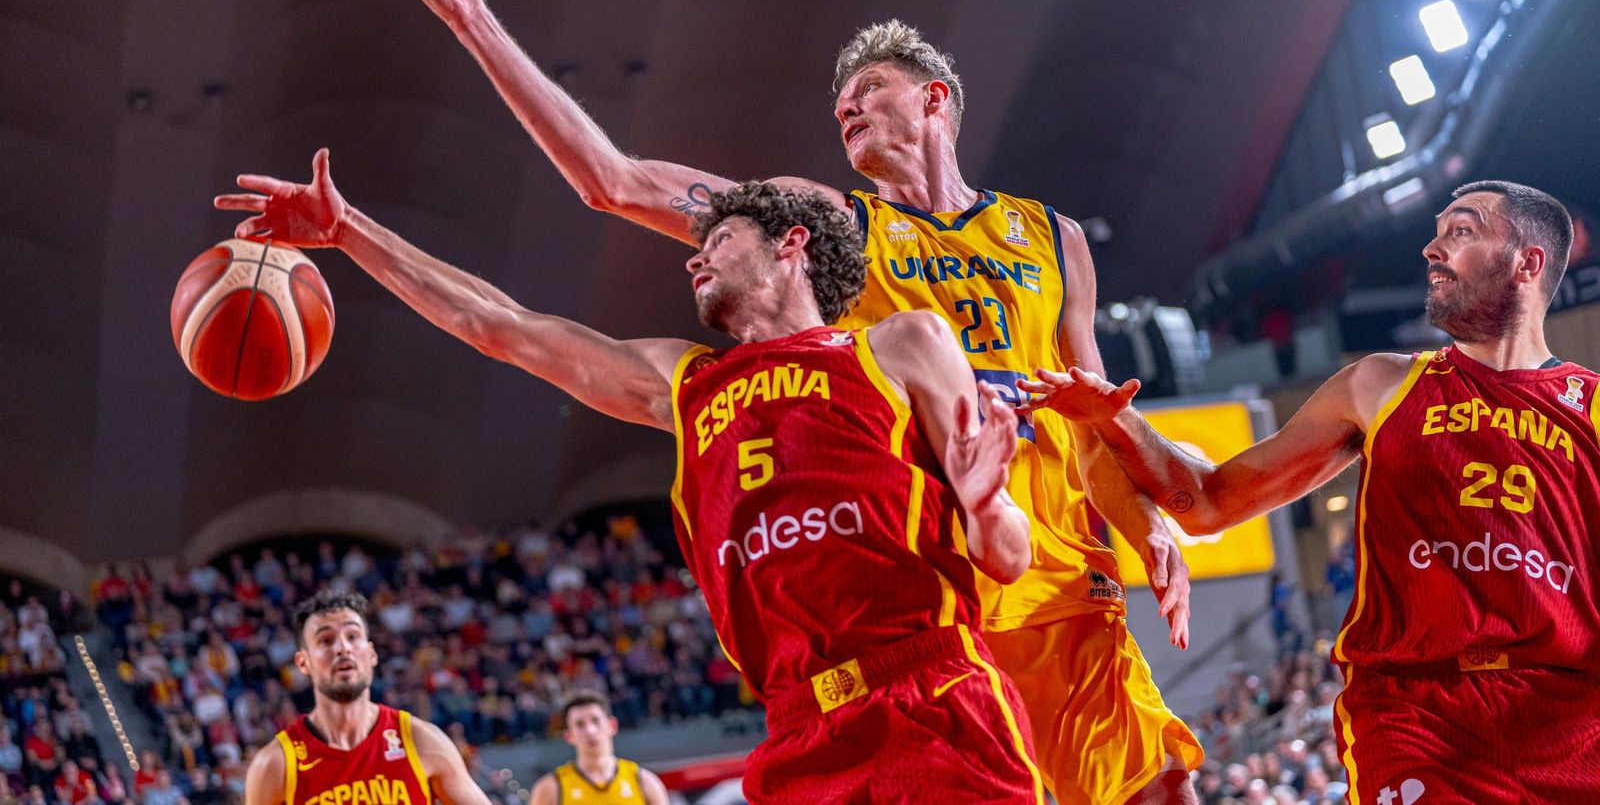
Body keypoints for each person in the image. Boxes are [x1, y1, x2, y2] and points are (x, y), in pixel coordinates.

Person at [381, 0, 1201, 805]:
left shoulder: (1053, 237)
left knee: (1161, 792)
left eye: (871, 88)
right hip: (948, 589)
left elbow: (1089, 411)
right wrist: (472, 19)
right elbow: (612, 181)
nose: (847, 105)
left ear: (934, 99)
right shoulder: (828, 222)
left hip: (1062, 581)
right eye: (840, 101)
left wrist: (1144, 520)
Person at [217, 158, 1042, 802]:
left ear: (790, 243)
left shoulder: (899, 346)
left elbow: (1007, 556)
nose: (695, 262)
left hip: (930, 695)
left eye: (717, 241)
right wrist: (349, 230)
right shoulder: (686, 384)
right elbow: (501, 327)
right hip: (799, 730)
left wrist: (985, 500)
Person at [1021, 180, 1600, 801]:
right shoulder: (1380, 384)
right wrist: (1115, 417)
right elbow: (1210, 502)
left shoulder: (1590, 406)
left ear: (1528, 263)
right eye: (1435, 232)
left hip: (1568, 723)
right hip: (1417, 718)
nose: (1432, 248)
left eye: (1461, 231)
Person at [241, 591, 495, 805]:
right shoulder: (275, 765)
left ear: (371, 654)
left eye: (353, 636)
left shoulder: (420, 742)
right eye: (326, 640)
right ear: (303, 662)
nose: (343, 648)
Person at [528, 693, 666, 805]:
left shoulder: (645, 782)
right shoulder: (550, 788)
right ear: (569, 736)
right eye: (580, 724)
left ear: (612, 725)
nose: (590, 730)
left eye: (595, 720)